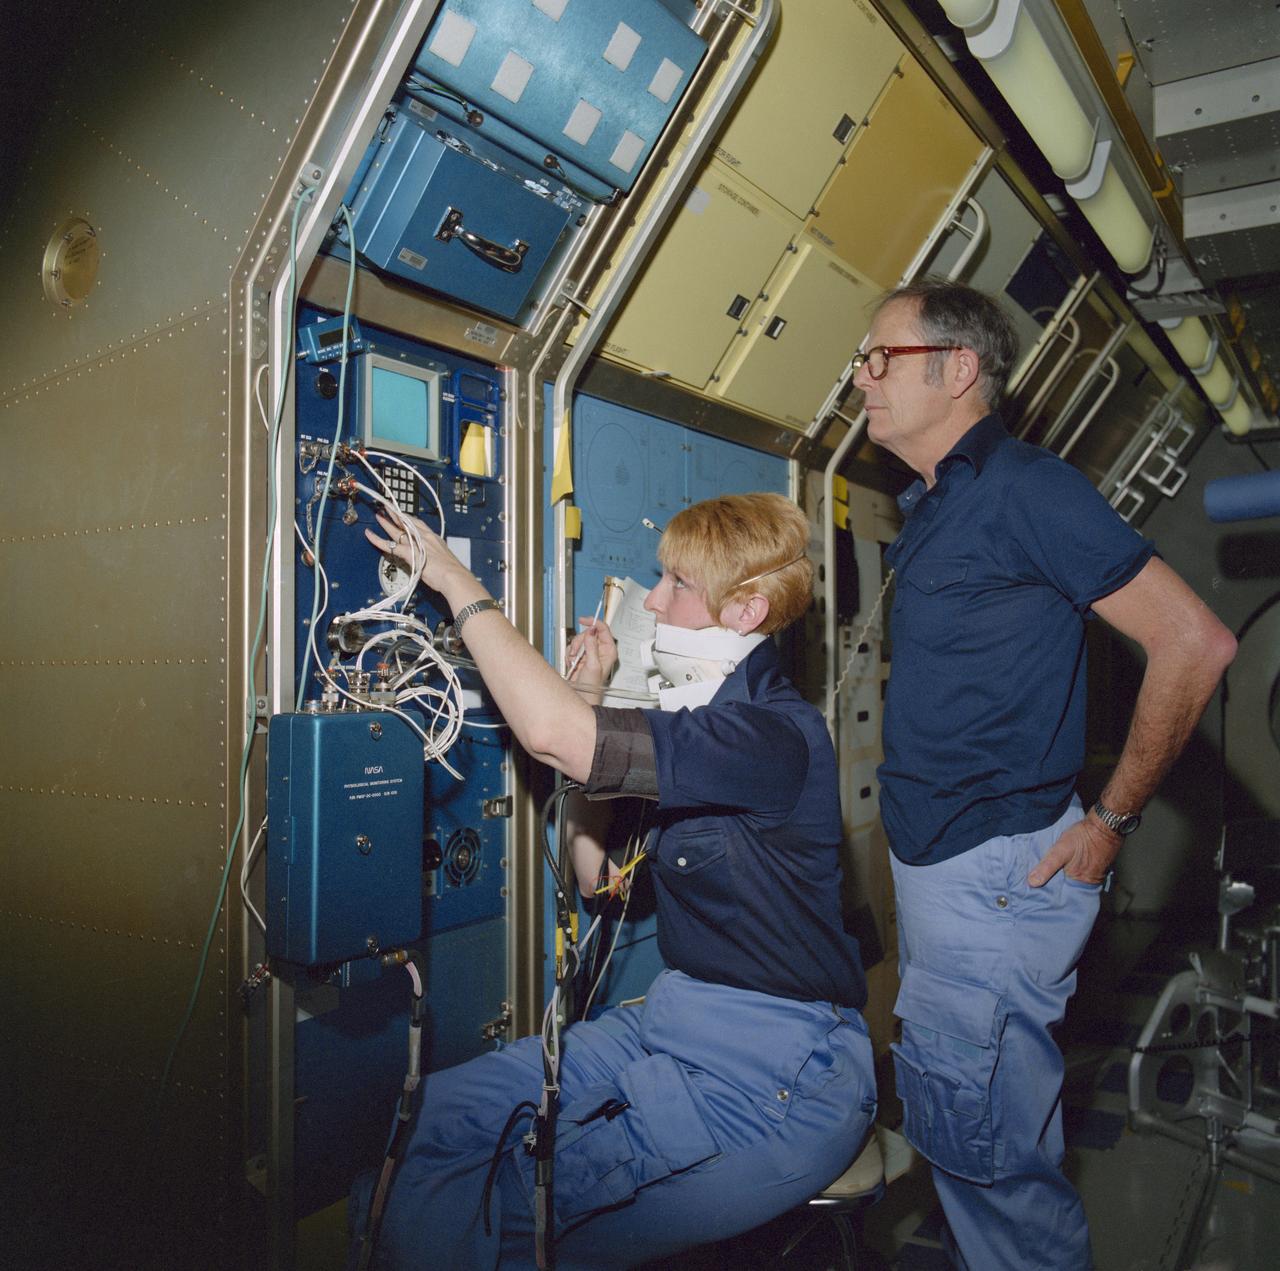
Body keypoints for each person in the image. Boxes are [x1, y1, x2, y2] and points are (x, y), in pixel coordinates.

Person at [351, 492, 876, 1270]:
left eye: (675, 585)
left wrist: (456, 581)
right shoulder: (696, 718)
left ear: (745, 612)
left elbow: (551, 734)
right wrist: (591, 696)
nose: (652, 599)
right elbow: (599, 878)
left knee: (527, 1211)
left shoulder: (769, 734)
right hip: (674, 1018)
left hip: (778, 1067)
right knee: (429, 1121)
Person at [853, 280, 1237, 1271]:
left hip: (993, 875)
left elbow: (1190, 643)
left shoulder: (1024, 487)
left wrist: (1110, 818)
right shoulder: (940, 505)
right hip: (953, 873)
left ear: (958, 368)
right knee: (968, 1139)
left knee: (993, 1167)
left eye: (879, 354)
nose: (861, 373)